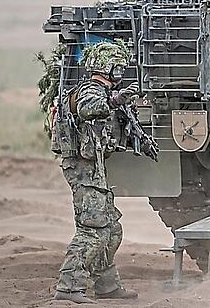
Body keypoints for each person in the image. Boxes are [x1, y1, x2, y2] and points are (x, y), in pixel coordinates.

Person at [51, 40, 140, 304]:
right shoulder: (90, 90)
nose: (121, 72)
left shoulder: (97, 90)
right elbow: (89, 108)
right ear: (111, 68)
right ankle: (68, 287)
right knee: (93, 230)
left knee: (111, 229)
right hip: (83, 171)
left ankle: (106, 285)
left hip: (93, 169)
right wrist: (114, 100)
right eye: (119, 68)